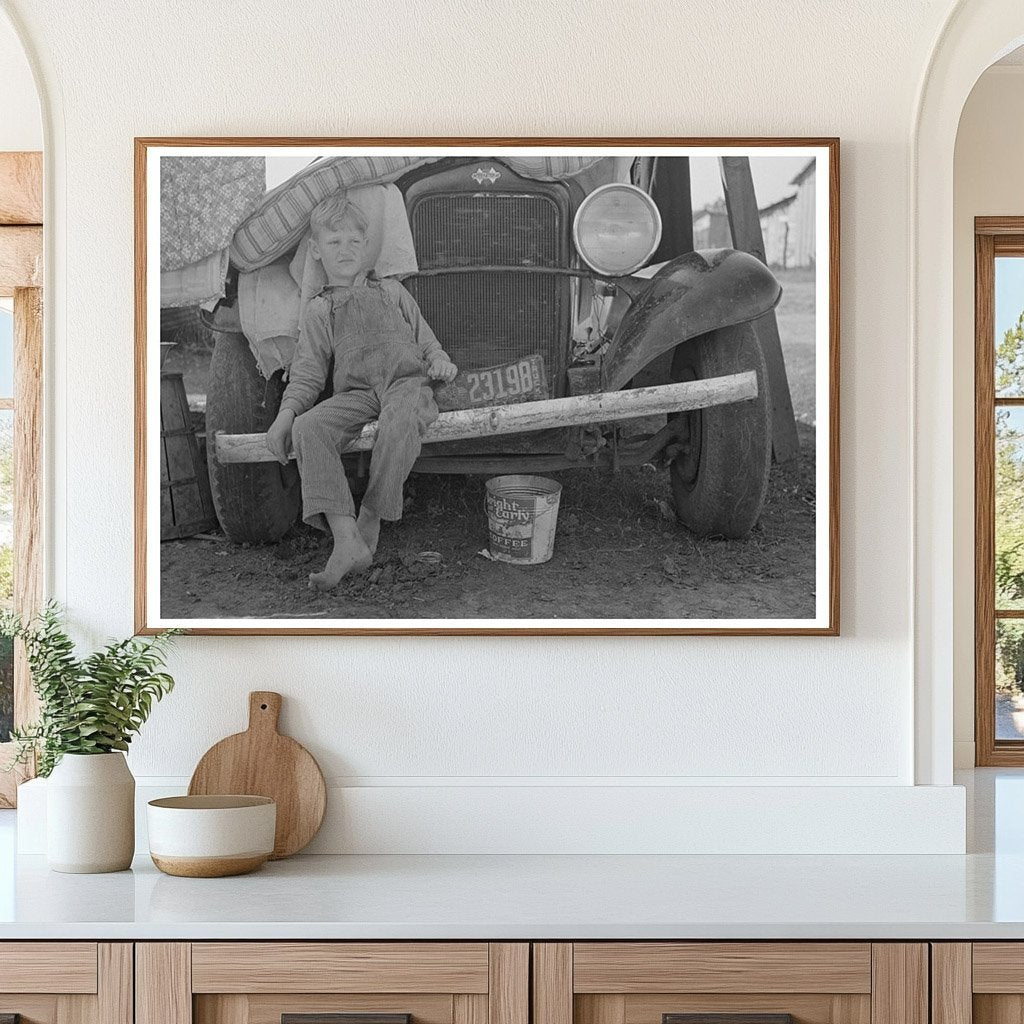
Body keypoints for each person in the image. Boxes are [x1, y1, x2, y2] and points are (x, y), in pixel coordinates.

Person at [265, 193, 458, 589]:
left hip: (406, 383)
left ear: (367, 245)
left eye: (354, 241)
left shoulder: (391, 291)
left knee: (401, 418)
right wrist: (286, 415)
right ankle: (346, 536)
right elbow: (307, 374)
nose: (345, 250)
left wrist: (440, 361)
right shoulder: (320, 309)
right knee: (309, 428)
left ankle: (371, 513)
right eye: (334, 243)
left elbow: (427, 340)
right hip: (357, 394)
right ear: (317, 251)